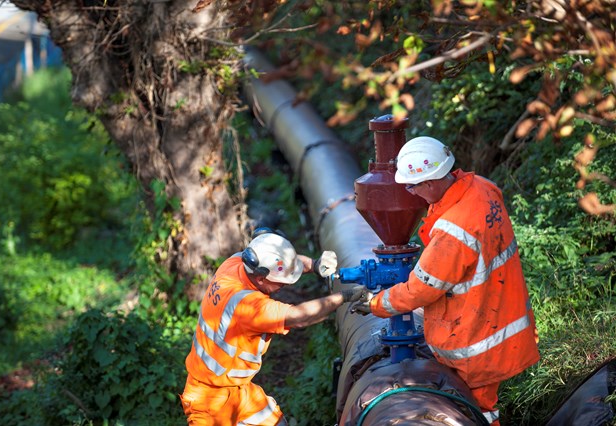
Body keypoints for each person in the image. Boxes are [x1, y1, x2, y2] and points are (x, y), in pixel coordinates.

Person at [353, 136, 540, 425]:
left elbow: (420, 290)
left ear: (430, 182)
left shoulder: (452, 232)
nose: (411, 193)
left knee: (476, 409)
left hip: (476, 342)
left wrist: (377, 304)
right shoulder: (483, 188)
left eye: (412, 186)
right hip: (501, 315)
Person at [180, 229, 369, 425]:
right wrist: (345, 297)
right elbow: (299, 317)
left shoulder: (237, 263)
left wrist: (314, 265)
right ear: (261, 278)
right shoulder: (248, 307)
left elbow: (283, 264)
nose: (284, 286)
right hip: (211, 402)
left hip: (238, 390)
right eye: (280, 283)